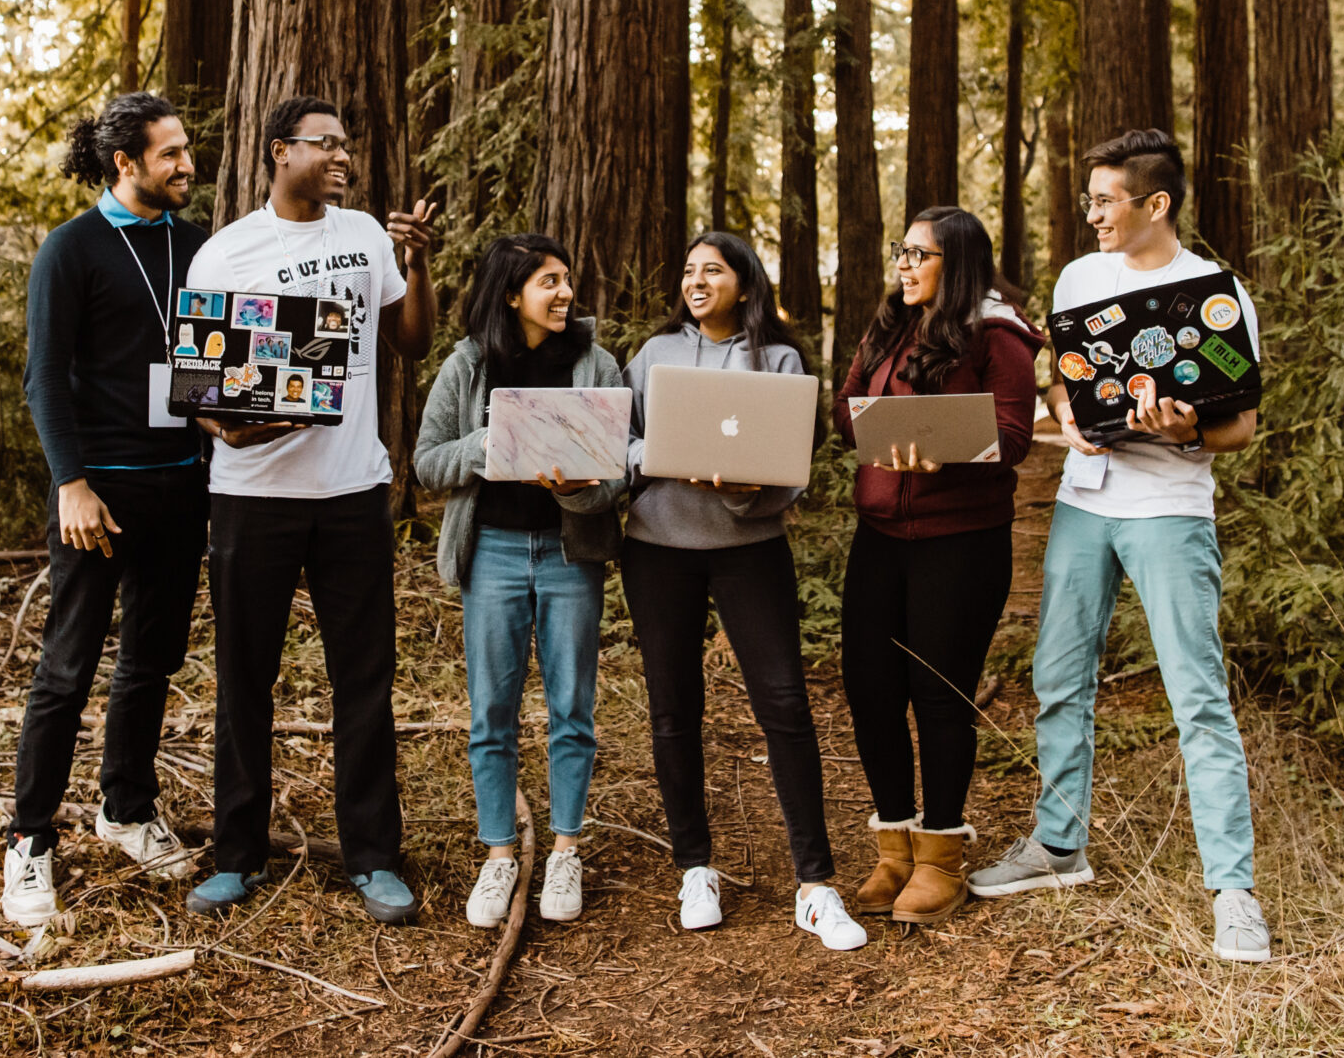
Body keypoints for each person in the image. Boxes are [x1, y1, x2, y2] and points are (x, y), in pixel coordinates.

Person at [969, 128, 1270, 963]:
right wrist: (1068, 414)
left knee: (1197, 695)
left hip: (1170, 507)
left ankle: (1233, 891)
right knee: (1058, 677)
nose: (1092, 214)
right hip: (1083, 502)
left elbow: (1239, 424)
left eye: (1106, 200)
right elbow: (1066, 374)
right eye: (1091, 200)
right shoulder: (1080, 277)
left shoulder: (1214, 290)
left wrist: (1185, 432)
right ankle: (1059, 846)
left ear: (1155, 204)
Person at [180, 96, 439, 926]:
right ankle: (236, 856)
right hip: (252, 497)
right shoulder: (227, 252)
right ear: (278, 151)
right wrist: (235, 426)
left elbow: (412, 342)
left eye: (345, 146)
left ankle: (373, 857)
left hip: (352, 491)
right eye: (324, 144)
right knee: (244, 679)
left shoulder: (365, 235)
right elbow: (201, 391)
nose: (341, 157)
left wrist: (417, 261)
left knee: (363, 680)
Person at [620, 232, 869, 951]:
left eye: (713, 269)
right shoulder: (655, 354)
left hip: (750, 550)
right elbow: (621, 441)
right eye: (689, 269)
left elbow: (790, 469)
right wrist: (666, 456)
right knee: (674, 710)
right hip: (657, 549)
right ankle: (695, 867)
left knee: (785, 706)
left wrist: (741, 490)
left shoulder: (778, 359)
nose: (697, 280)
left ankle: (816, 884)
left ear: (743, 280)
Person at [3, 93, 212, 926]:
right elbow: (44, 378)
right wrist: (71, 482)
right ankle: (28, 842)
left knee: (151, 661)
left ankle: (126, 806)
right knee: (66, 669)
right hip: (100, 494)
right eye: (171, 154)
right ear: (125, 163)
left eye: (187, 150)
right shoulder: (72, 249)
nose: (187, 164)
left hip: (182, 485)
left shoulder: (200, 247)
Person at [833, 205, 1043, 926]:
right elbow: (848, 412)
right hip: (881, 533)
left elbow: (1014, 434)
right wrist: (875, 427)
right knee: (869, 686)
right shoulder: (888, 325)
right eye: (903, 250)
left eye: (920, 254)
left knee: (938, 692)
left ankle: (941, 861)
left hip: (961, 540)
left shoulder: (998, 333)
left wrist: (943, 444)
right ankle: (894, 846)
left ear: (957, 264)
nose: (904, 263)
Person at [413, 235, 627, 930]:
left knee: (572, 704)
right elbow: (427, 462)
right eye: (548, 281)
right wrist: (491, 442)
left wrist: (575, 488)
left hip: (570, 555)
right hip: (494, 553)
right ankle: (500, 851)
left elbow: (620, 476)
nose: (564, 292)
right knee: (491, 710)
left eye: (566, 279)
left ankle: (566, 847)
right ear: (512, 293)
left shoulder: (596, 363)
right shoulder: (470, 362)